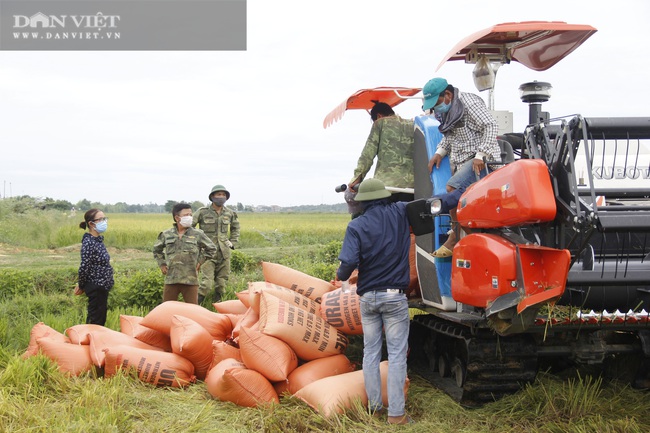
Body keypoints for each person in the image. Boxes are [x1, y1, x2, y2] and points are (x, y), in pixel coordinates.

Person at [336, 178, 413, 425]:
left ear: (363, 202)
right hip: (394, 297)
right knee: (397, 355)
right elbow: (433, 204)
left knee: (370, 353)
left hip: (368, 299)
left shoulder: (357, 226)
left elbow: (347, 264)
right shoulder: (400, 212)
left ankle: (376, 408)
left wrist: (341, 277)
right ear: (384, 196)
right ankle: (397, 415)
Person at [422, 77, 501, 257]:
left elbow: (490, 125)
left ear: (448, 95)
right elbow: (450, 136)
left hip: (480, 159)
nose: (435, 108)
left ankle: (457, 235)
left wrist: (481, 154)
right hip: (460, 161)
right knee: (461, 197)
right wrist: (439, 153)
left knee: (452, 188)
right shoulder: (447, 112)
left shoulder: (469, 103)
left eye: (437, 103)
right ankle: (465, 235)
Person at [348, 101, 415, 203]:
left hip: (387, 187)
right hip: (412, 187)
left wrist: (357, 177)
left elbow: (367, 155)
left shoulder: (380, 123)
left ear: (379, 116)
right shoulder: (412, 124)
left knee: (383, 217)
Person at [153, 203, 217, 304]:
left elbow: (212, 248)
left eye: (191, 215)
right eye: (186, 215)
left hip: (190, 280)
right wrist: (162, 264)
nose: (190, 217)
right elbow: (156, 250)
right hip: (171, 279)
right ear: (177, 218)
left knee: (192, 310)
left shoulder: (198, 234)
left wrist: (200, 262)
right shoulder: (166, 234)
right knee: (167, 309)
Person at [192, 185, 240, 304]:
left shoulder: (230, 213)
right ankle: (195, 306)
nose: (221, 197)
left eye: (223, 195)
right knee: (206, 283)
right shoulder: (202, 212)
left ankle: (217, 306)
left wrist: (233, 242)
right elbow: (190, 227)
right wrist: (195, 243)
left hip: (224, 252)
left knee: (221, 283)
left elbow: (236, 228)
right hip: (207, 253)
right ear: (212, 197)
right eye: (218, 195)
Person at [74, 209, 114, 326]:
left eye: (104, 218)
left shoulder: (98, 241)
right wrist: (81, 285)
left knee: (100, 318)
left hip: (102, 286)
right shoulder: (89, 242)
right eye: (100, 219)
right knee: (95, 319)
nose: (104, 222)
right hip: (95, 285)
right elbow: (84, 266)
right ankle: (89, 341)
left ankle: (96, 341)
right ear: (91, 224)